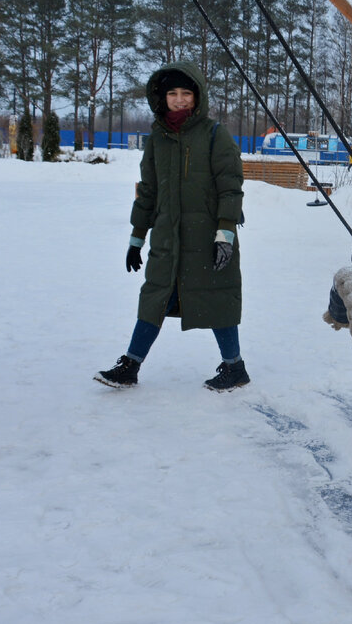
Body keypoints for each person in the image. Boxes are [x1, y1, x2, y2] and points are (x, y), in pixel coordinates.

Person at [96, 60, 248, 392]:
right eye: (172, 93)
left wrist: (225, 235)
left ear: (197, 97)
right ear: (161, 98)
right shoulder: (157, 140)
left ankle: (235, 367)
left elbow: (230, 187)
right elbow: (148, 191)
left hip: (207, 239)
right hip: (167, 239)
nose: (179, 99)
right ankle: (130, 365)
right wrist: (137, 238)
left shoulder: (213, 135)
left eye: (186, 93)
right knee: (154, 298)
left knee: (216, 299)